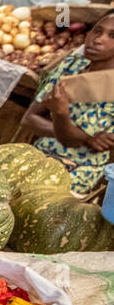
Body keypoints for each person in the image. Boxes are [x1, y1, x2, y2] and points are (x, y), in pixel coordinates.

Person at [22, 11, 114, 194]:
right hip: (39, 156)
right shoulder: (72, 64)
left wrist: (60, 114)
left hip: (76, 174)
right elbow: (29, 119)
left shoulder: (110, 85)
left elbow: (69, 141)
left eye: (112, 36)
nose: (98, 40)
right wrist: (86, 138)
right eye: (97, 31)